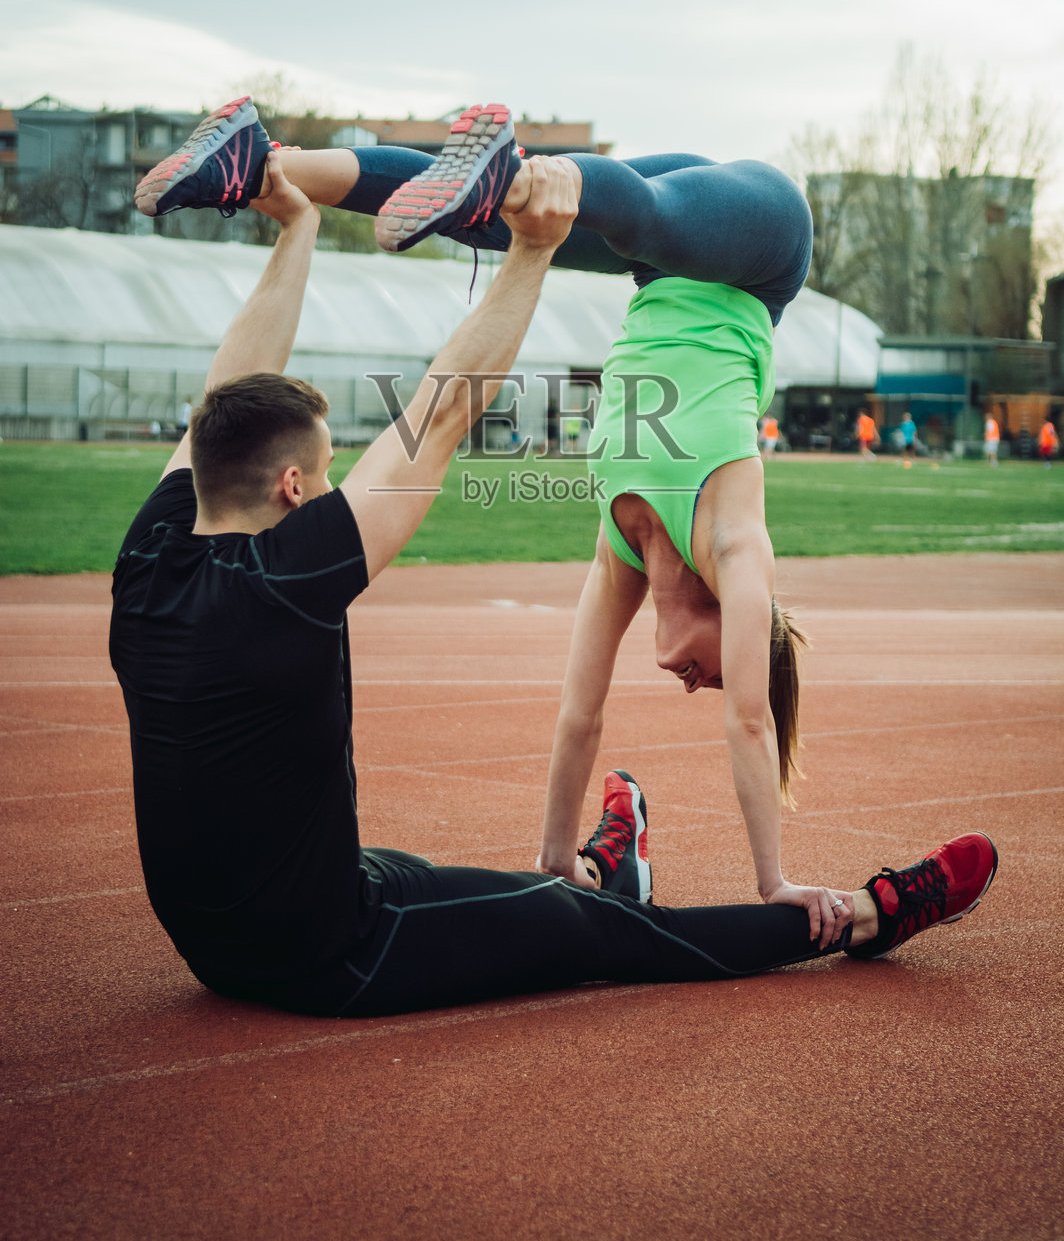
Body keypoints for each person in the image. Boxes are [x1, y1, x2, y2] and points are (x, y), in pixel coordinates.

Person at [127, 102, 999, 980]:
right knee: (551, 209)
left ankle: (268, 165)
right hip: (762, 249)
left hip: (659, 263)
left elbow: (579, 713)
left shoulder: (151, 556)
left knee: (483, 212)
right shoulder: (736, 550)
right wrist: (772, 880)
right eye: (726, 661)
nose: (696, 680)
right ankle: (859, 919)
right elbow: (747, 719)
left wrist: (552, 857)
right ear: (290, 487)